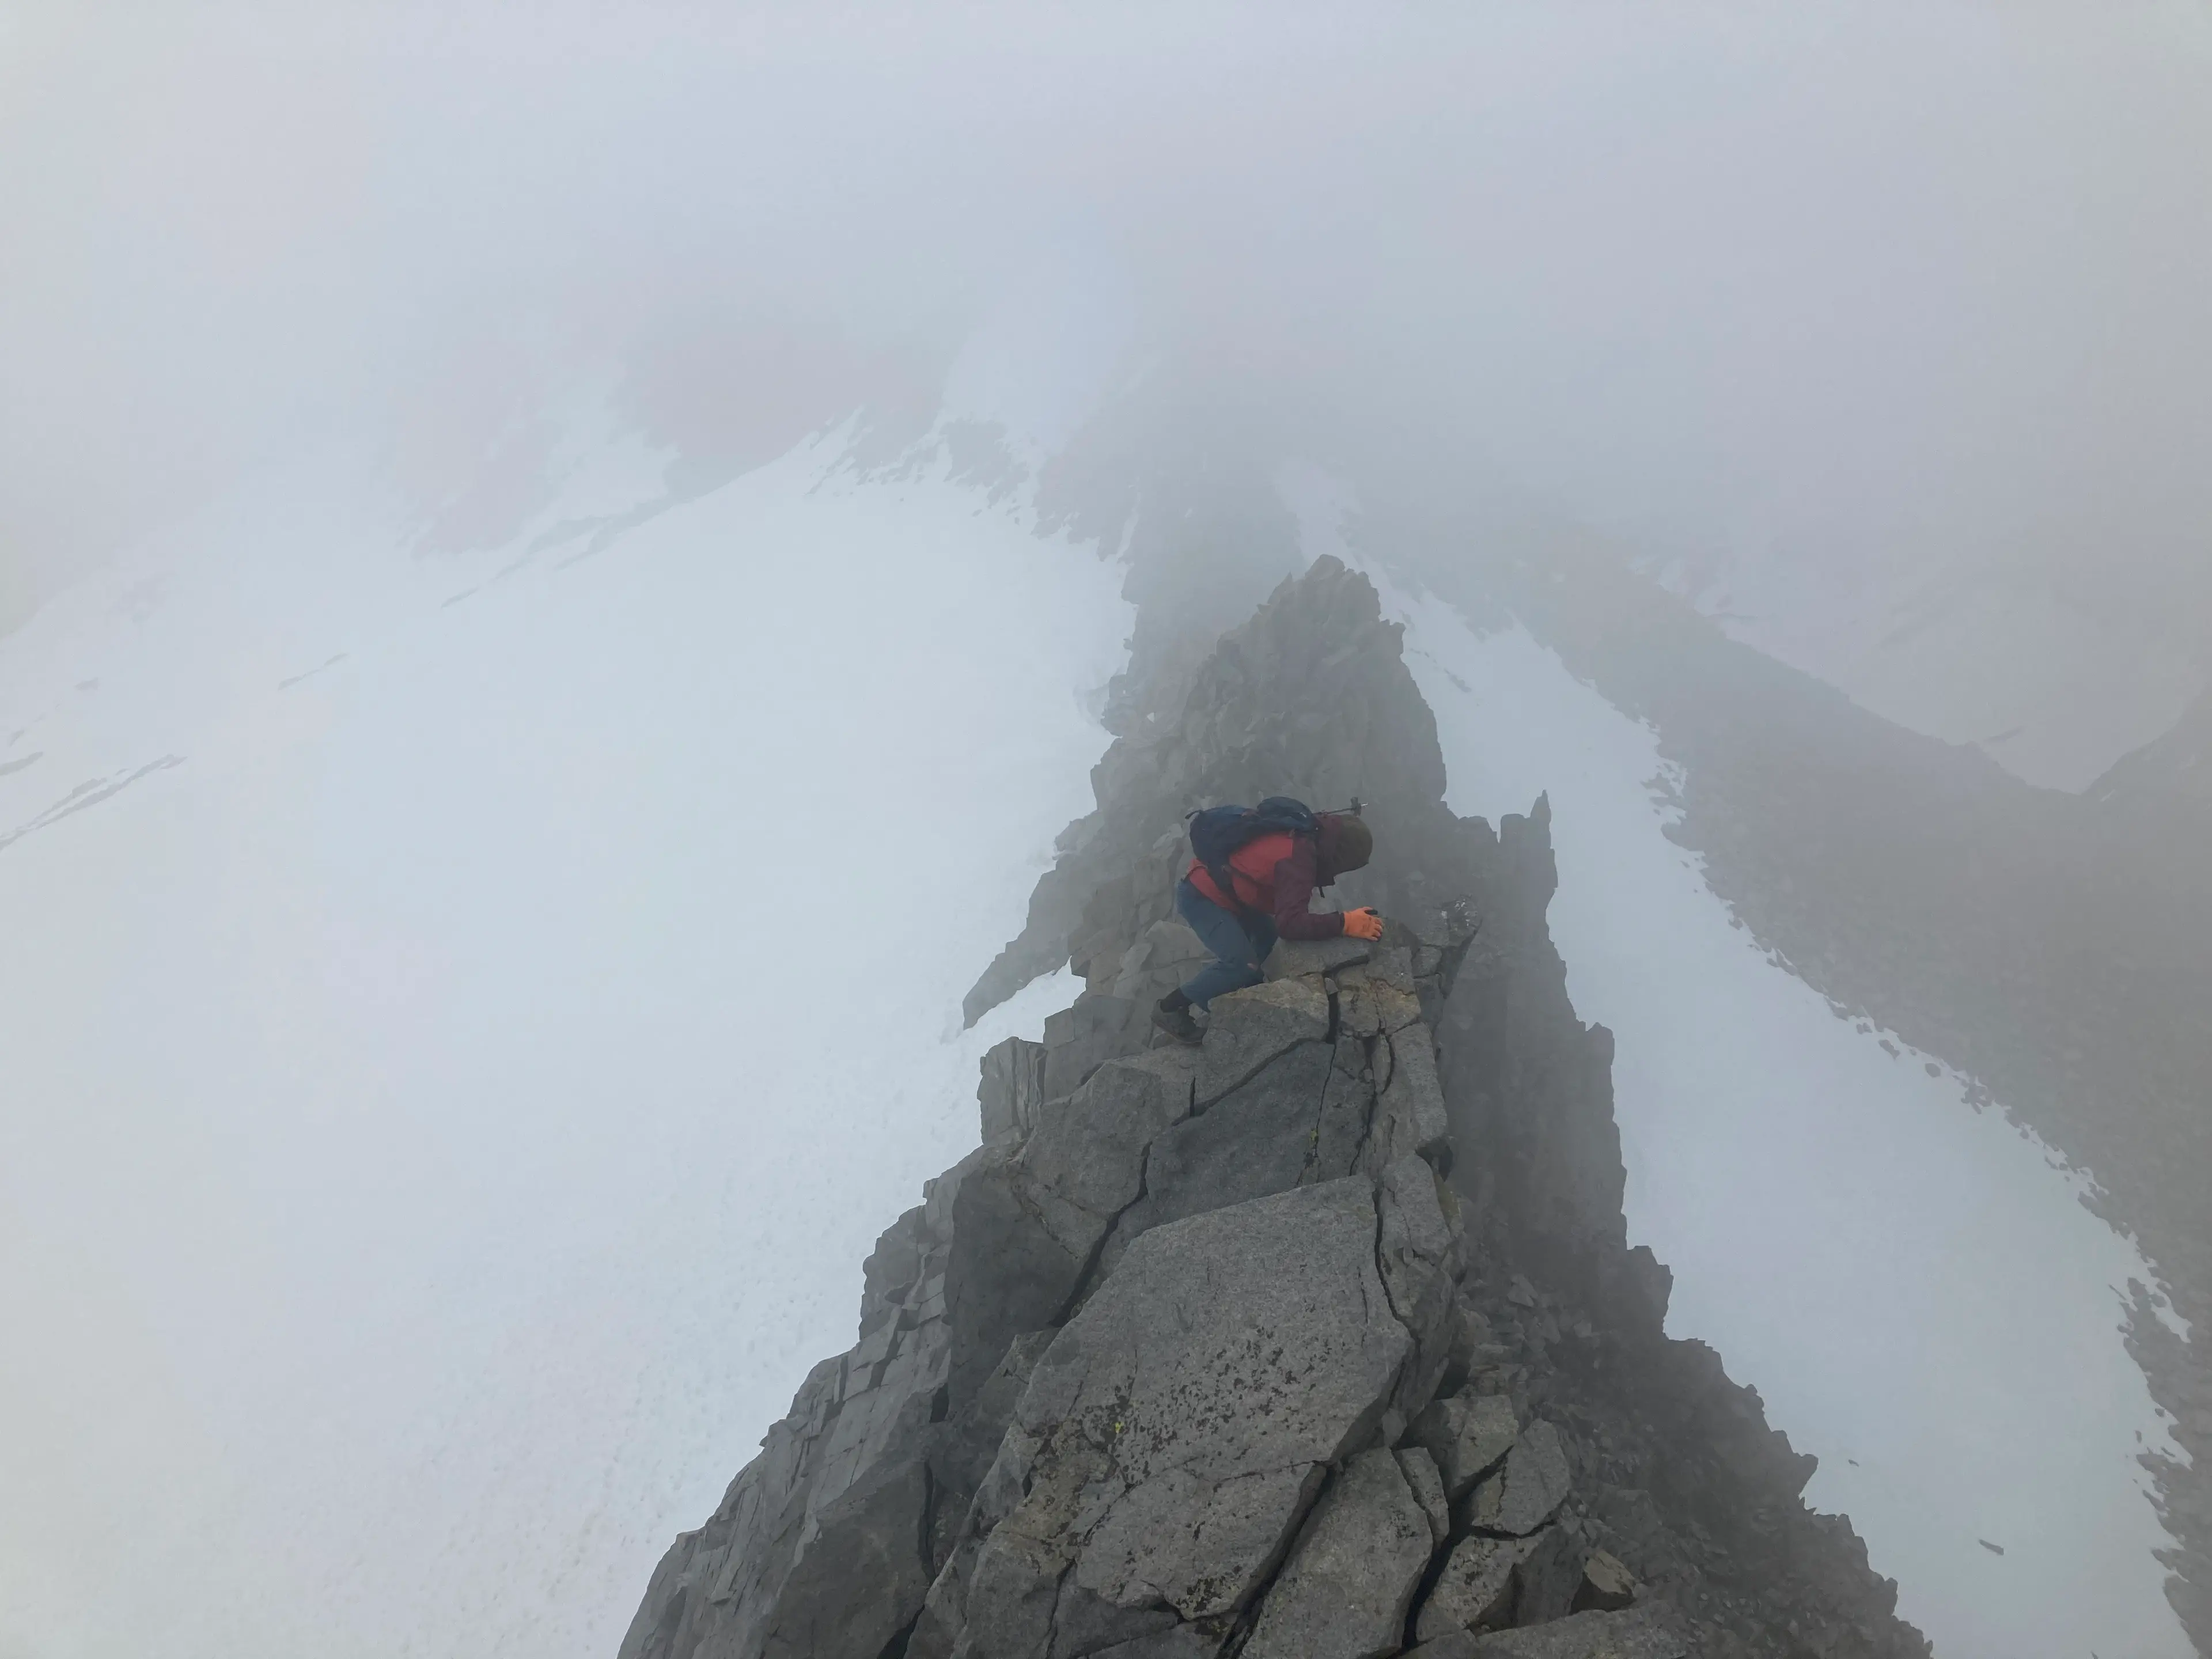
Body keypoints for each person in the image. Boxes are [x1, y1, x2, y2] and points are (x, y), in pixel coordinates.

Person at [1153, 808, 1381, 1042]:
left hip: (1233, 893)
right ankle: (1170, 1008)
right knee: (1243, 967)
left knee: (1268, 945)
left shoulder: (1308, 832)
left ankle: (1242, 1001)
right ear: (1341, 856)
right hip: (1202, 897)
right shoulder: (1299, 859)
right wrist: (1344, 923)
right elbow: (1290, 925)